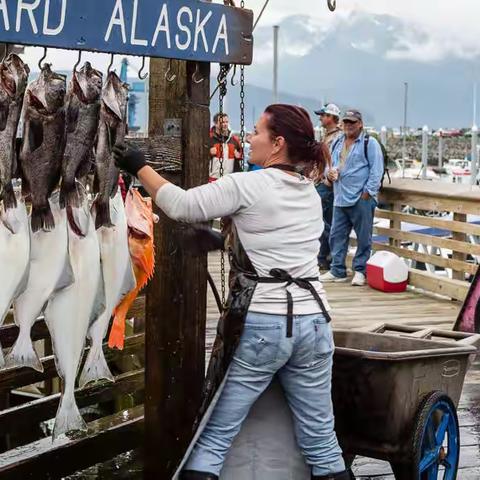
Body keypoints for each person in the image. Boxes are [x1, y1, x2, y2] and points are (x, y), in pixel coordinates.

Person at [113, 104, 354, 480]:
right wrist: (223, 242)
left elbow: (184, 205)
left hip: (264, 326)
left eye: (257, 131)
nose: (249, 138)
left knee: (213, 436)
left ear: (276, 144)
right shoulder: (308, 192)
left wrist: (139, 165)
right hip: (314, 322)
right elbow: (275, 243)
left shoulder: (248, 184)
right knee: (322, 442)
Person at [320, 109, 384, 287]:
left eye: (352, 122)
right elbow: (329, 165)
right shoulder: (338, 142)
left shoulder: (369, 143)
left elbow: (376, 169)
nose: (348, 125)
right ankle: (337, 270)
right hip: (340, 196)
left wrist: (368, 192)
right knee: (336, 235)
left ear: (360, 124)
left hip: (361, 198)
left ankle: (360, 271)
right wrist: (329, 174)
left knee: (364, 237)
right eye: (346, 122)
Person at [313, 104, 342, 271]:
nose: (321, 118)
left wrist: (326, 178)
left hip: (327, 185)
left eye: (323, 115)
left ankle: (324, 256)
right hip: (323, 182)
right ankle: (325, 256)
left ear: (331, 117)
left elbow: (334, 161)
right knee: (325, 222)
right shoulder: (328, 136)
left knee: (324, 222)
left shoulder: (337, 137)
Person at [209, 112, 243, 181]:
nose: (225, 124)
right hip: (212, 179)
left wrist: (239, 155)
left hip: (228, 180)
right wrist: (208, 152)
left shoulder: (234, 140)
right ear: (215, 123)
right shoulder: (209, 139)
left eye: (226, 122)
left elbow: (241, 154)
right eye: (222, 122)